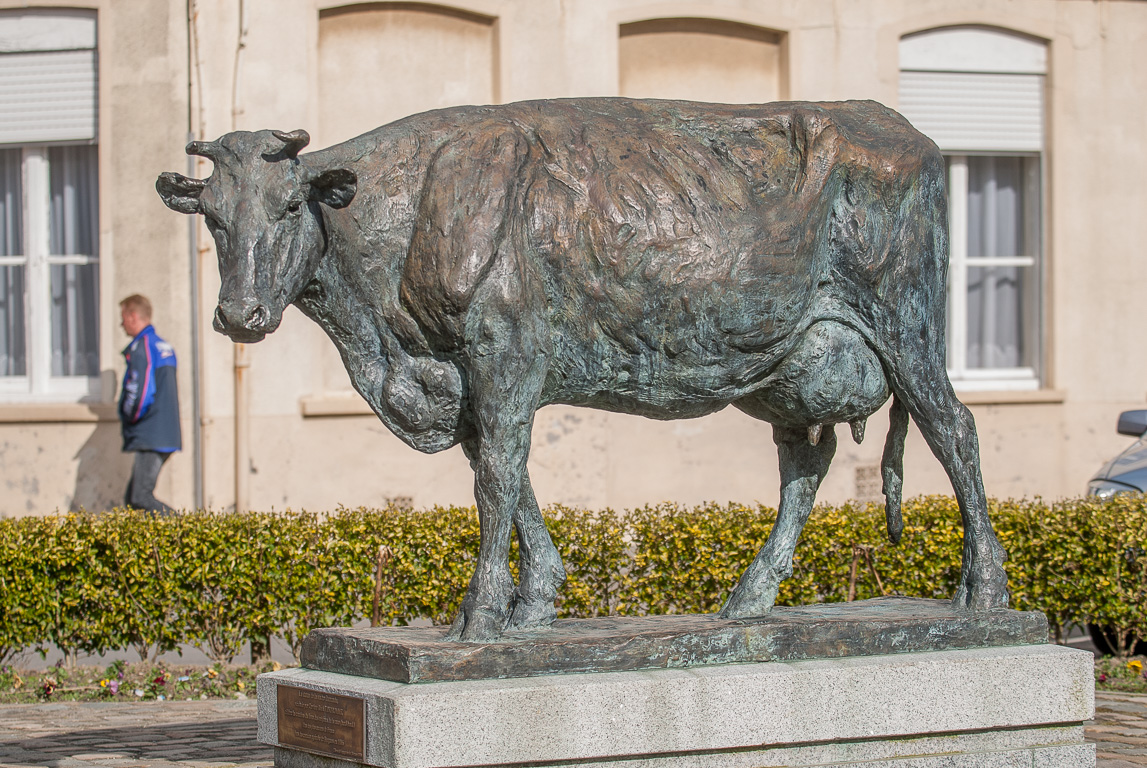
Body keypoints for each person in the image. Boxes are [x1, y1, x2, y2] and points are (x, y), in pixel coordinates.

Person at [118, 294, 181, 515]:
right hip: (163, 432)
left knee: (140, 496)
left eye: (123, 317)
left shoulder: (142, 347)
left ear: (133, 316)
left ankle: (183, 530)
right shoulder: (161, 345)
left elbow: (141, 392)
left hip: (151, 434)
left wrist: (129, 418)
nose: (121, 324)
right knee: (132, 499)